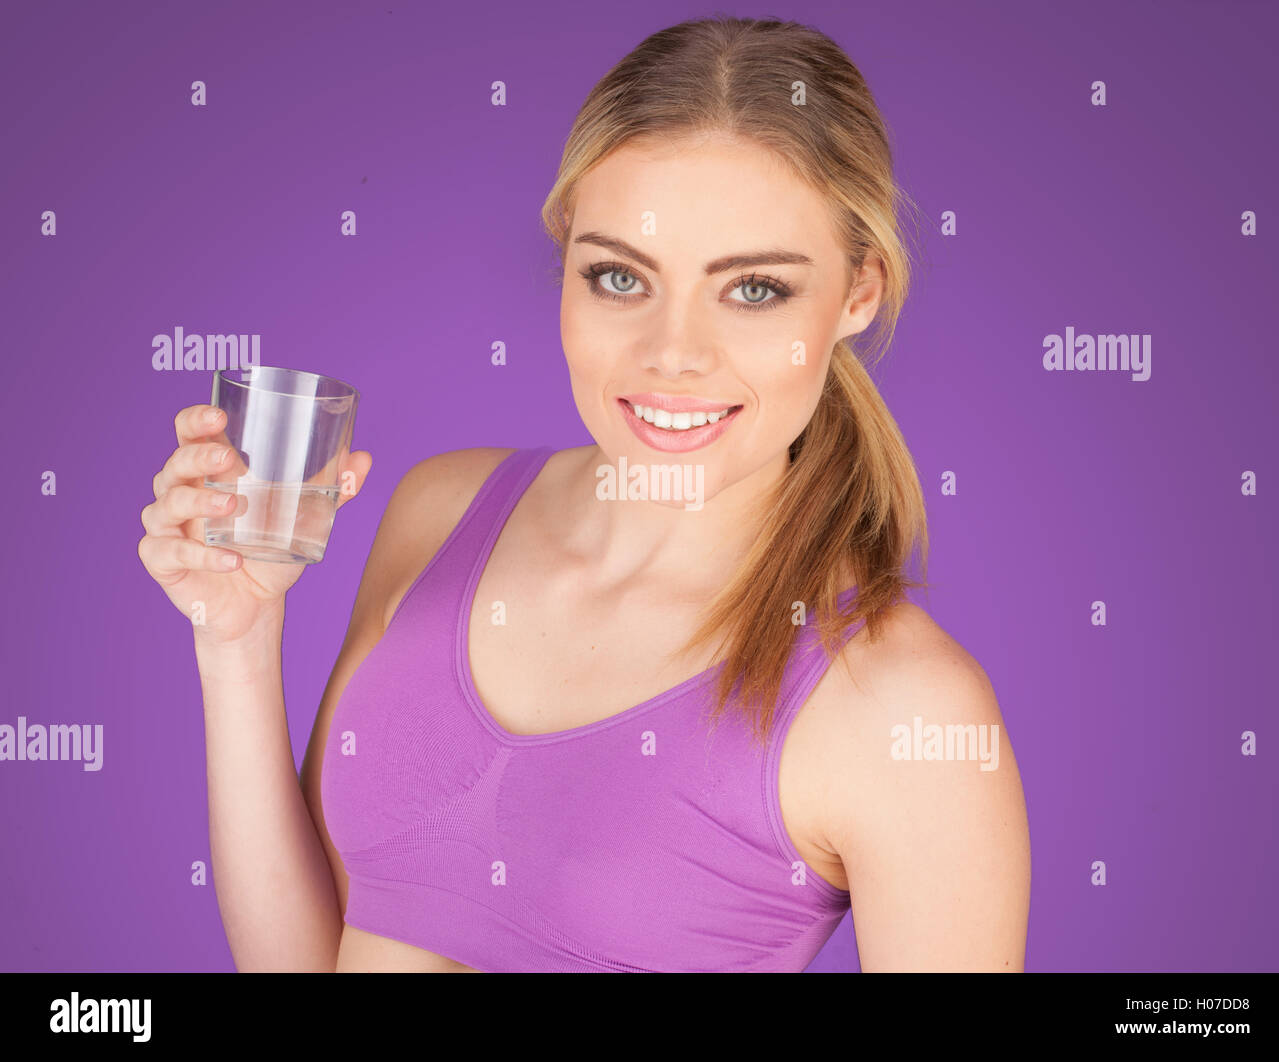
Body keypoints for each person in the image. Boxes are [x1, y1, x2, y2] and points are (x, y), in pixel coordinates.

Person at [138, 15, 1029, 973]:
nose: (674, 354)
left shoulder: (901, 705)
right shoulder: (442, 510)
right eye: (619, 275)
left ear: (860, 292)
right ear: (566, 261)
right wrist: (236, 643)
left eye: (755, 289)